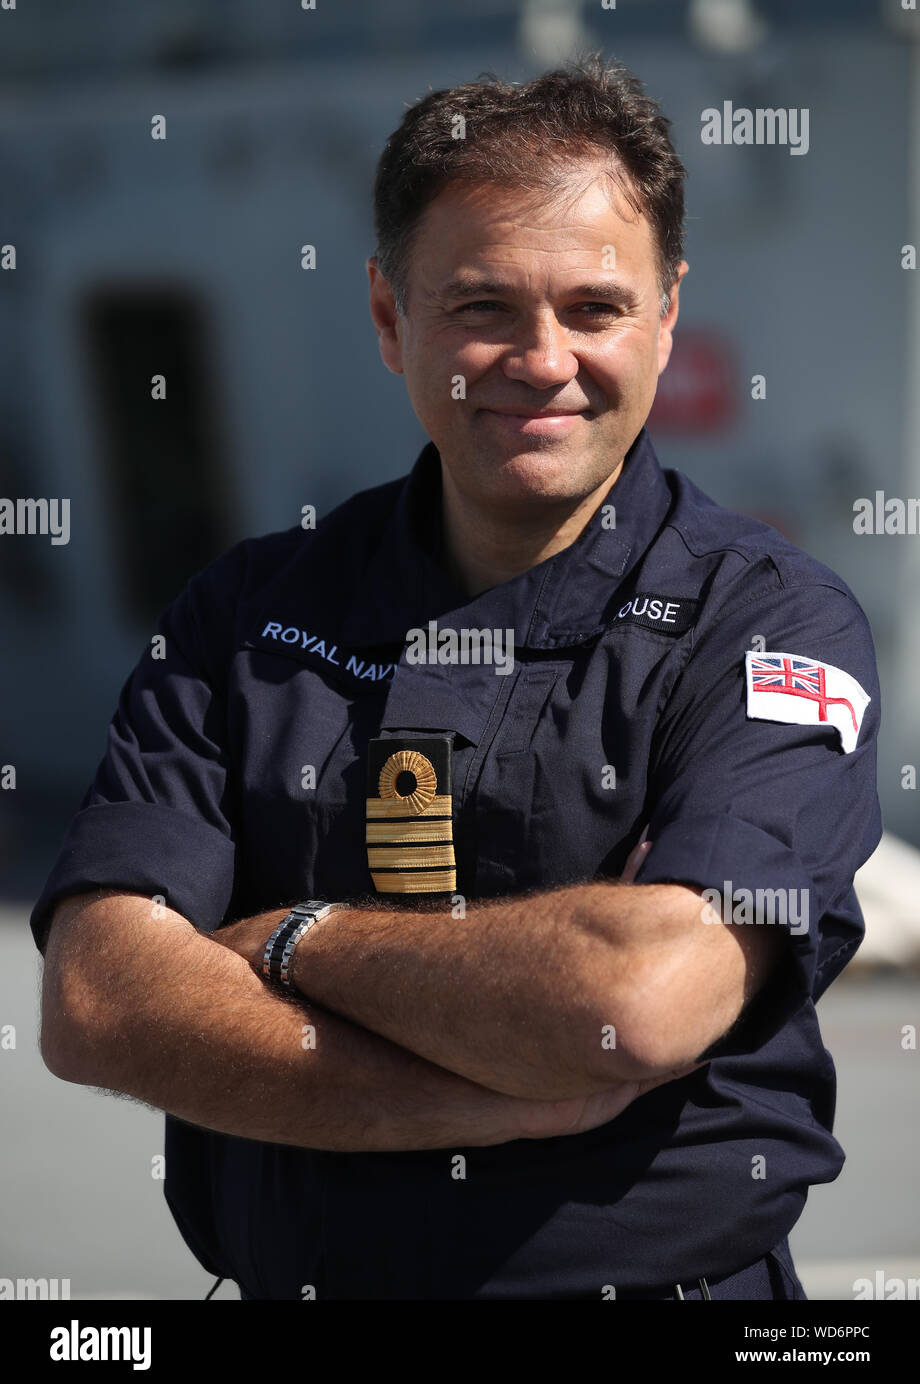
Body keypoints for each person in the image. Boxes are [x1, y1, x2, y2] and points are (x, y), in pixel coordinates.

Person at [32, 55, 881, 1301]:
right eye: (483, 306)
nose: (541, 361)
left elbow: (636, 1003)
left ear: (664, 315)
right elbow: (100, 999)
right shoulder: (245, 616)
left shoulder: (768, 627)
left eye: (593, 308)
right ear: (389, 317)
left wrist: (293, 939)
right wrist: (518, 1102)